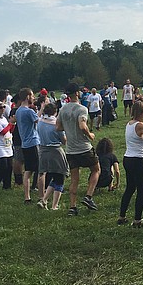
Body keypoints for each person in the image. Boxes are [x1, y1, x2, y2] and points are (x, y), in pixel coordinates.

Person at [57, 83, 101, 216]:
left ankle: (72, 207)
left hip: (70, 150)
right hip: (84, 148)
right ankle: (88, 196)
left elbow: (58, 127)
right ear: (77, 93)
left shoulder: (63, 109)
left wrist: (69, 128)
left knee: (74, 179)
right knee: (96, 169)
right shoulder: (81, 109)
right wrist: (90, 134)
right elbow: (82, 126)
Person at [37, 103, 69, 211]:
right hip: (55, 152)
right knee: (60, 178)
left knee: (53, 177)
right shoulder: (56, 123)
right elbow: (64, 140)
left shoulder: (40, 121)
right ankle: (54, 205)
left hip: (43, 150)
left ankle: (44, 200)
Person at [16, 88, 42, 204]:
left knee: (28, 171)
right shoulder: (28, 111)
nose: (33, 97)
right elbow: (39, 121)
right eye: (31, 96)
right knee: (41, 170)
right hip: (33, 142)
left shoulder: (18, 111)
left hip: (25, 144)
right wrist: (42, 108)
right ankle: (42, 197)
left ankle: (27, 197)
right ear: (27, 97)